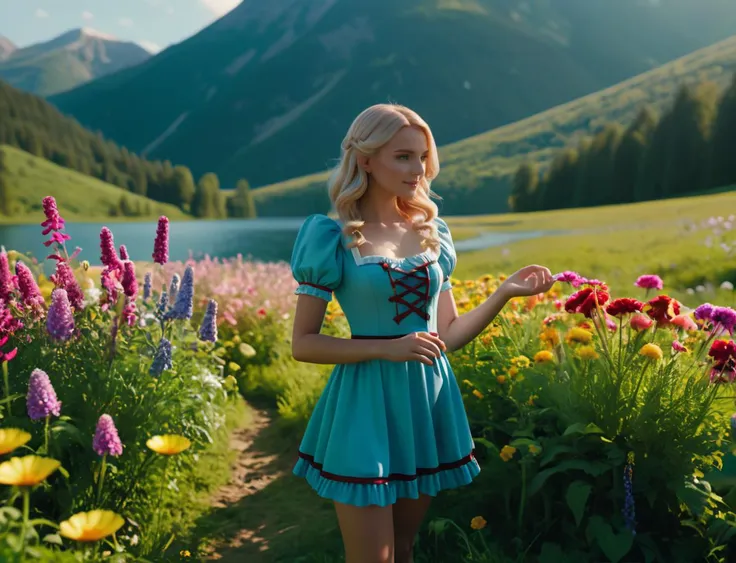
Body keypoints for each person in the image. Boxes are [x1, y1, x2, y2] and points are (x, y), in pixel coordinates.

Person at [289, 103, 555, 563]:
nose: (418, 170)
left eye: (422, 157)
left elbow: (446, 334)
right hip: (365, 405)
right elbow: (303, 344)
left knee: (407, 548)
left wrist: (502, 294)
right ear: (366, 159)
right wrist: (388, 350)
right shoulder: (331, 237)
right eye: (403, 156)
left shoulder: (431, 231)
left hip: (426, 403)